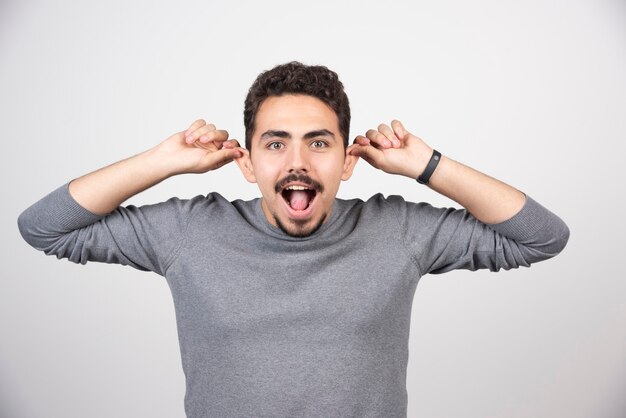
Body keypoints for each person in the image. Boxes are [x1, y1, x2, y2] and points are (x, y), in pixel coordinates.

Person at [18, 61, 569, 418]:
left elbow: (541, 237)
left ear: (348, 161)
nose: (298, 163)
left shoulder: (396, 230)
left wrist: (426, 164)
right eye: (276, 144)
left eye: (320, 143)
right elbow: (43, 226)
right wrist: (161, 162)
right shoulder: (190, 231)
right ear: (247, 160)